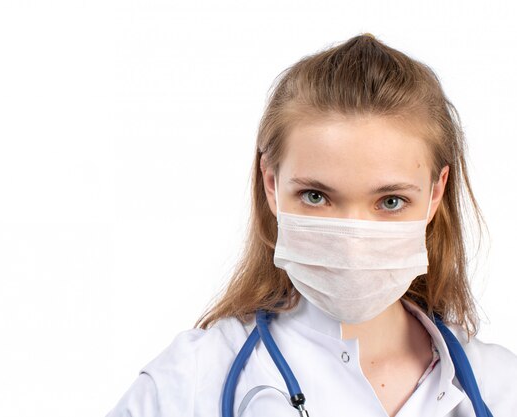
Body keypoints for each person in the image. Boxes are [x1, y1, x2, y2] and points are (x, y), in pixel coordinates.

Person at [106, 33, 517, 417]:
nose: (352, 242)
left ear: (435, 193)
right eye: (316, 197)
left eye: (390, 201)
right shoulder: (185, 384)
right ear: (271, 183)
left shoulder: (502, 386)